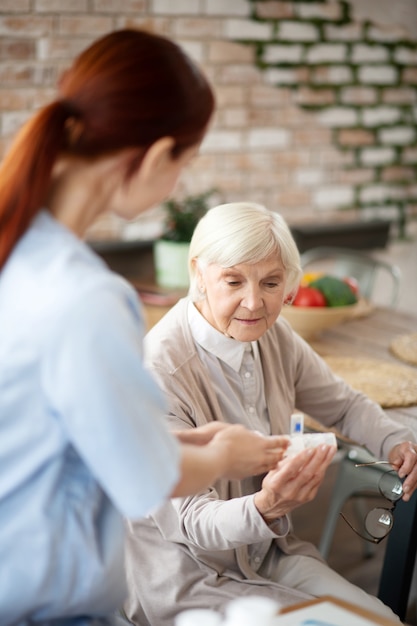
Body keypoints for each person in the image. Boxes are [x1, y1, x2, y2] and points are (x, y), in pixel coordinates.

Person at [0, 33, 289, 625]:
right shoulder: (90, 297)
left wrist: (182, 441)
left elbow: (62, 438)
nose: (179, 182)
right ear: (158, 155)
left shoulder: (21, 255)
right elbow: (141, 481)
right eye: (184, 162)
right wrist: (223, 456)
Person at [124, 202, 417, 625]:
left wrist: (393, 440)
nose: (253, 301)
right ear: (199, 275)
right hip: (186, 575)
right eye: (233, 280)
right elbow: (191, 523)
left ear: (289, 285)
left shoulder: (275, 337)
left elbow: (344, 404)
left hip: (268, 552)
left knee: (382, 620)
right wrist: (266, 505)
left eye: (271, 282)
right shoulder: (158, 374)